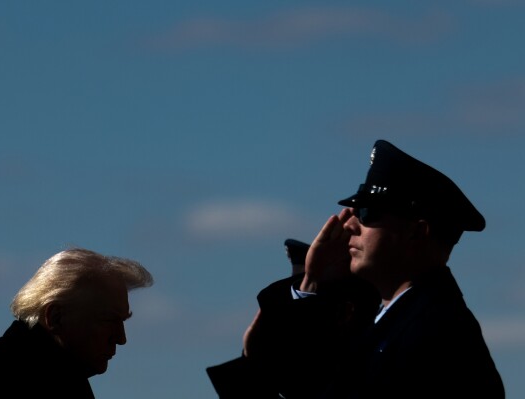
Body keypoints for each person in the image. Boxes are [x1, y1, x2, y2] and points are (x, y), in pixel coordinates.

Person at [207, 139, 504, 399]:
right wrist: (313, 282)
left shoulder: (437, 336)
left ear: (417, 232)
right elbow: (309, 389)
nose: (350, 225)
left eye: (367, 213)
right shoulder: (399, 324)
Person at [0, 247, 154, 399]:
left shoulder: (4, 369)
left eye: (122, 321)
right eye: (108, 320)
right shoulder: (15, 380)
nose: (121, 338)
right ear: (55, 317)